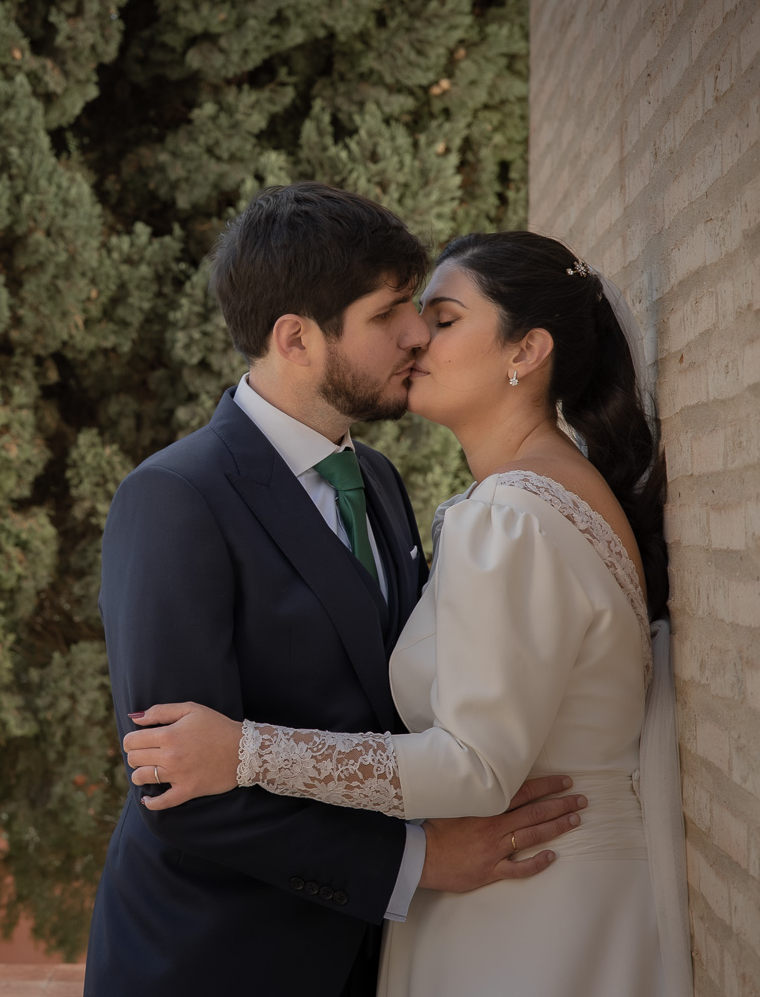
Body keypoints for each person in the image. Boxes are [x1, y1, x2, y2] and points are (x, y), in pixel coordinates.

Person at [118, 228, 693, 996]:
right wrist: (416, 861)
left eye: (440, 317)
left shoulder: (486, 509)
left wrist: (247, 750)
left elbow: (471, 759)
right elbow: (173, 780)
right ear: (296, 337)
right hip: (226, 958)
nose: (416, 335)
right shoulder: (178, 496)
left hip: (529, 904)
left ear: (526, 352)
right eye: (396, 312)